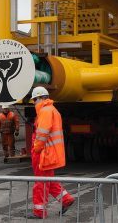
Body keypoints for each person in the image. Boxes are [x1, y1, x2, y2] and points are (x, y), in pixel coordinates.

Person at [28, 86, 74, 219]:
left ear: (40, 98)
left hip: (43, 152)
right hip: (50, 152)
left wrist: (36, 148)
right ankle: (66, 199)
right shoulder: (52, 110)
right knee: (48, 180)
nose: (34, 103)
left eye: (34, 100)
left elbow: (42, 133)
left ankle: (39, 212)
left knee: (40, 182)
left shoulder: (45, 111)